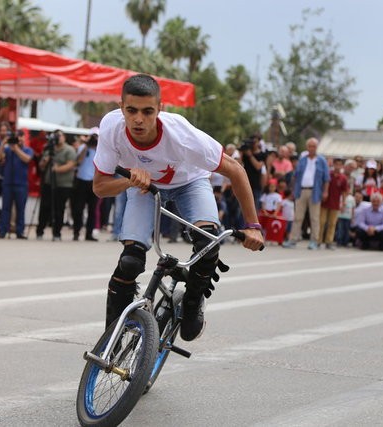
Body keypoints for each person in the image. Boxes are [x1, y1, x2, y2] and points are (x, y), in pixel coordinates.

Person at [92, 74, 264, 342]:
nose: (139, 119)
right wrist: (128, 180)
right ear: (121, 106)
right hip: (145, 188)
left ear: (160, 109)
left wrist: (253, 226)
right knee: (129, 261)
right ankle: (111, 338)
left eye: (148, 111)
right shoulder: (111, 128)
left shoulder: (181, 135)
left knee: (208, 245)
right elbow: (100, 187)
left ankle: (193, 303)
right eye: (131, 110)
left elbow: (236, 171)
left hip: (190, 183)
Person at [283, 137, 330, 250]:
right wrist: (293, 190)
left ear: (317, 147)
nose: (311, 148)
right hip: (301, 190)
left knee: (314, 217)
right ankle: (293, 239)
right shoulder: (303, 159)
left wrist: (325, 191)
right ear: (307, 147)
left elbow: (326, 178)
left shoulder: (322, 160)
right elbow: (296, 176)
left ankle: (314, 241)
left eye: (314, 146)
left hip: (315, 191)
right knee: (298, 216)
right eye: (310, 146)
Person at [36, 130, 76, 241]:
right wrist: (46, 160)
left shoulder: (69, 150)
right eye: (56, 136)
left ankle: (57, 233)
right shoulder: (49, 149)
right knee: (44, 207)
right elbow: (41, 166)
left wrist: (57, 169)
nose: (58, 138)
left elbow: (71, 164)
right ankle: (40, 231)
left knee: (59, 209)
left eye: (60, 136)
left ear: (64, 137)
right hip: (49, 183)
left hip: (63, 185)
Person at [0, 129, 33, 239]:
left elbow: (27, 159)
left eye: (21, 137)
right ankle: (3, 230)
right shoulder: (7, 150)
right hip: (7, 183)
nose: (19, 139)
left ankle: (19, 231)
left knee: (20, 209)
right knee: (5, 208)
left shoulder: (27, 150)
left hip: (21, 184)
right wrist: (3, 143)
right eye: (17, 137)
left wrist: (16, 148)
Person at [72, 132, 99, 241]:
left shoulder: (100, 149)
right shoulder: (83, 147)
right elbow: (78, 161)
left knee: (92, 209)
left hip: (94, 182)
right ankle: (76, 232)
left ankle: (89, 234)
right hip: (81, 180)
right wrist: (87, 146)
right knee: (78, 208)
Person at [318, 158, 348, 250]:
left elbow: (344, 191)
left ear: (342, 166)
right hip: (325, 202)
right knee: (321, 222)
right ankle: (318, 240)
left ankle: (329, 241)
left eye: (340, 164)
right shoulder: (328, 174)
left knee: (332, 223)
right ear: (333, 165)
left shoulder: (343, 178)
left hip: (335, 203)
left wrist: (343, 202)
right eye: (336, 164)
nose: (337, 166)